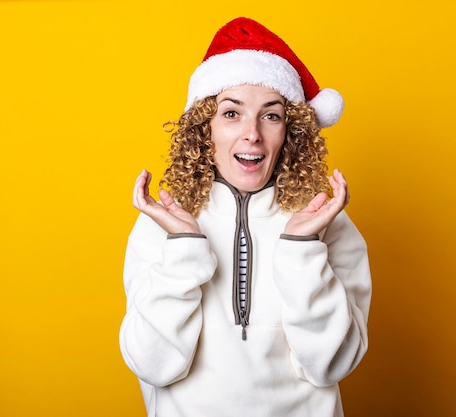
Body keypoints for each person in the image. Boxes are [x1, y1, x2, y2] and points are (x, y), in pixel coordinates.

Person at [119, 17, 372, 417]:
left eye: (271, 115)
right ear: (205, 129)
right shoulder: (164, 224)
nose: (252, 133)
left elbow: (332, 365)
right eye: (231, 114)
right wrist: (184, 249)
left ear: (291, 131)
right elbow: (152, 365)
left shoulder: (327, 223)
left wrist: (303, 250)